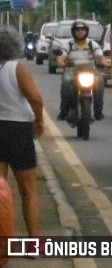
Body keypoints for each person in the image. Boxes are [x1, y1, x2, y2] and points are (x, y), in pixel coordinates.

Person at [0, 26, 44, 240]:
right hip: (18, 130)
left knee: (0, 190)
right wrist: (40, 120)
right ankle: (34, 241)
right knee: (27, 189)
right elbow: (35, 98)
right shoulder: (16, 68)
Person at [56, 20, 111, 121]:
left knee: (100, 81)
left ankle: (98, 112)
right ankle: (63, 111)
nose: (80, 32)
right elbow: (61, 58)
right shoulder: (68, 44)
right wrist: (62, 63)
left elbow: (100, 57)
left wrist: (107, 64)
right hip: (72, 71)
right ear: (73, 32)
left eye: (82, 30)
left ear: (86, 31)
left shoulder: (92, 44)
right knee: (66, 81)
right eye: (77, 30)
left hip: (90, 71)